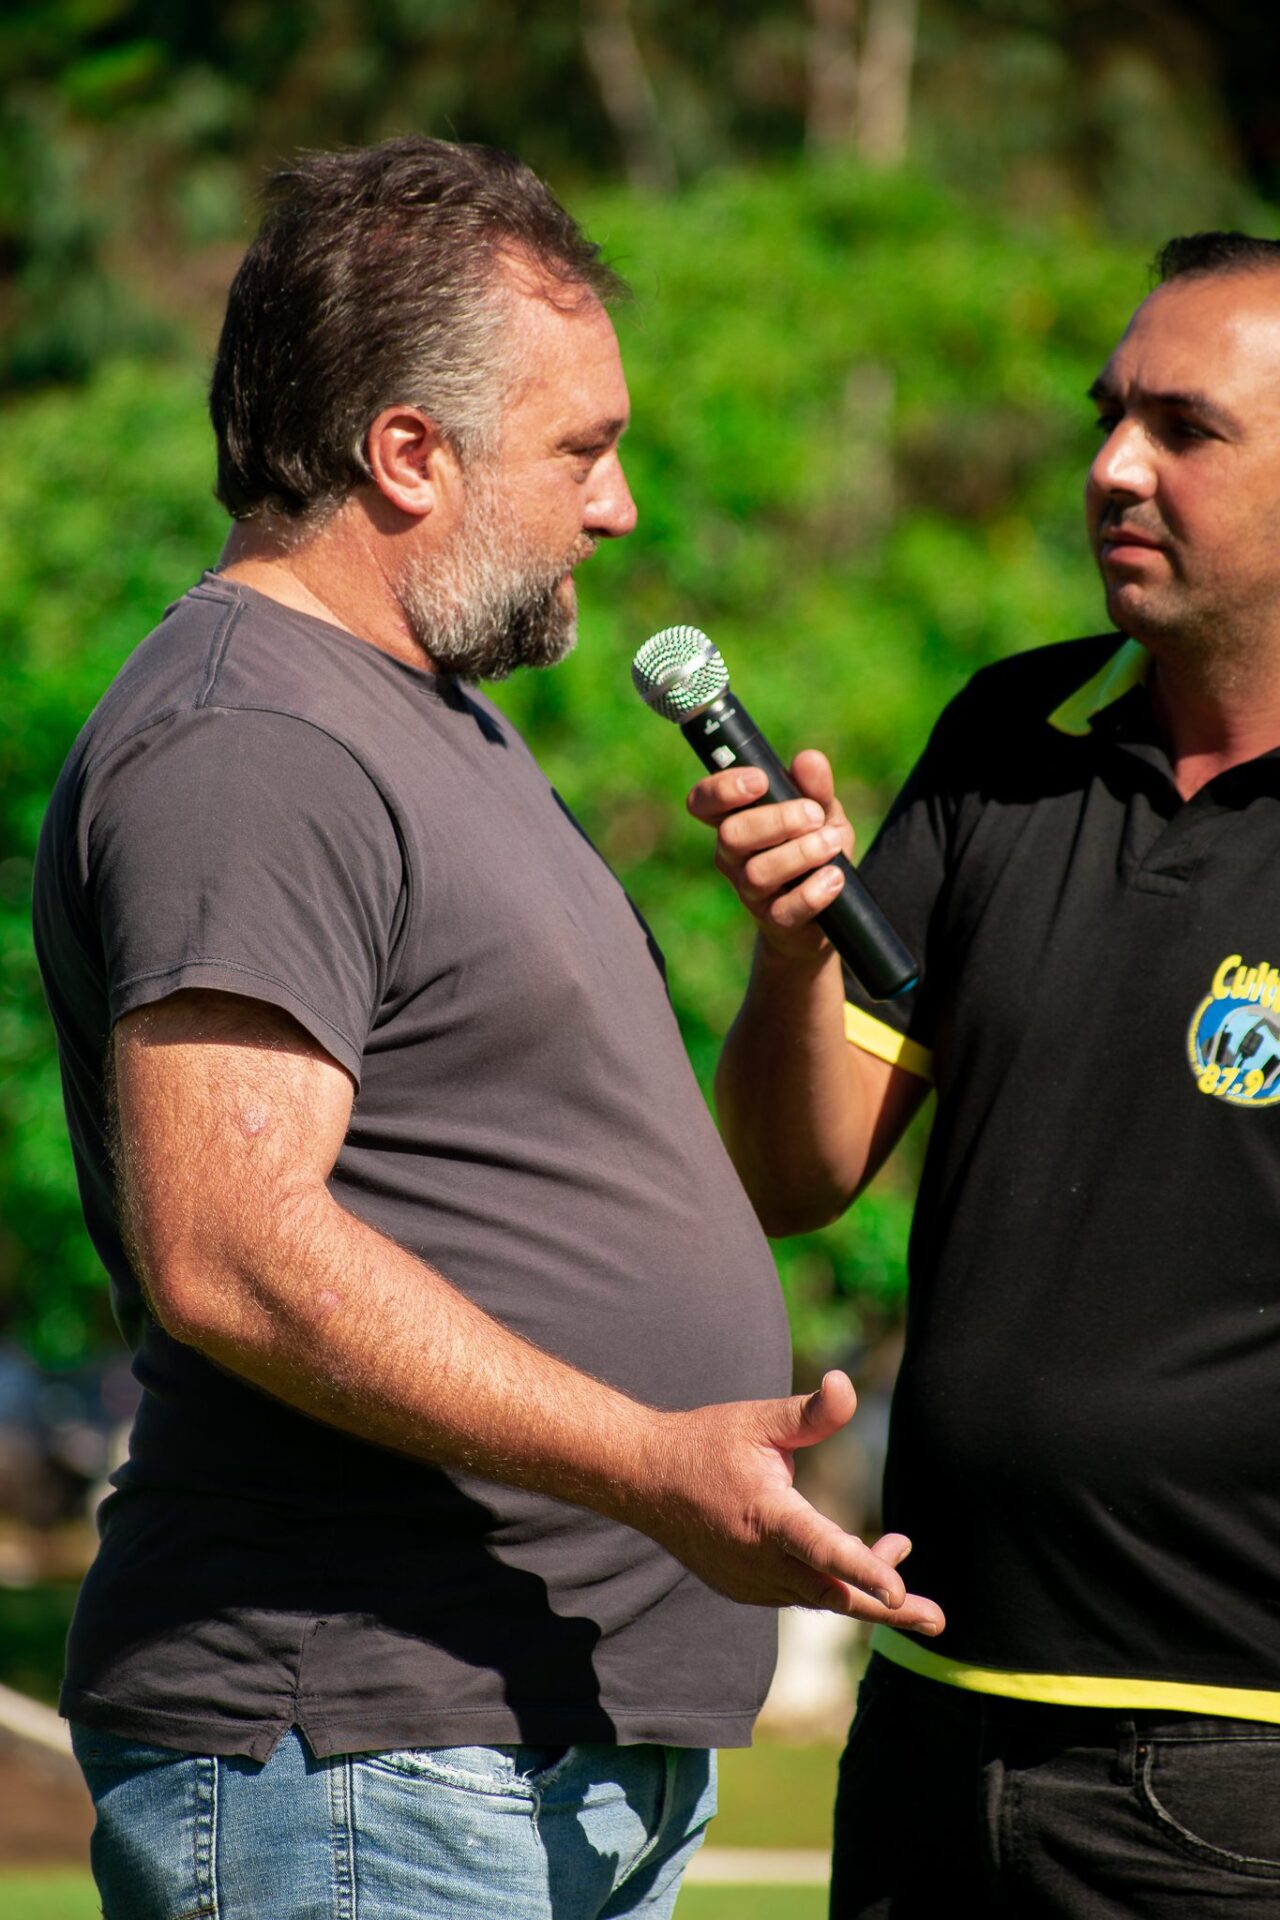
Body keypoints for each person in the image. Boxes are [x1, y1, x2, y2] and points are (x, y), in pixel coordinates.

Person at [32, 137, 942, 1920]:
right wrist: (649, 1467)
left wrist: (784, 967)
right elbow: (231, 1253)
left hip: (500, 1752)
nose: (616, 506)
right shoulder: (254, 741)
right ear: (406, 454)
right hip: (359, 1760)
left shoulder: (420, 717)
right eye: (582, 450)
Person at [689, 230, 1280, 1916]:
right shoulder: (1009, 737)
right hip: (933, 1733)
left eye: (1187, 428)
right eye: (1109, 416)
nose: (1113, 467)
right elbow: (797, 1177)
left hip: (1239, 1774)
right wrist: (795, 946)